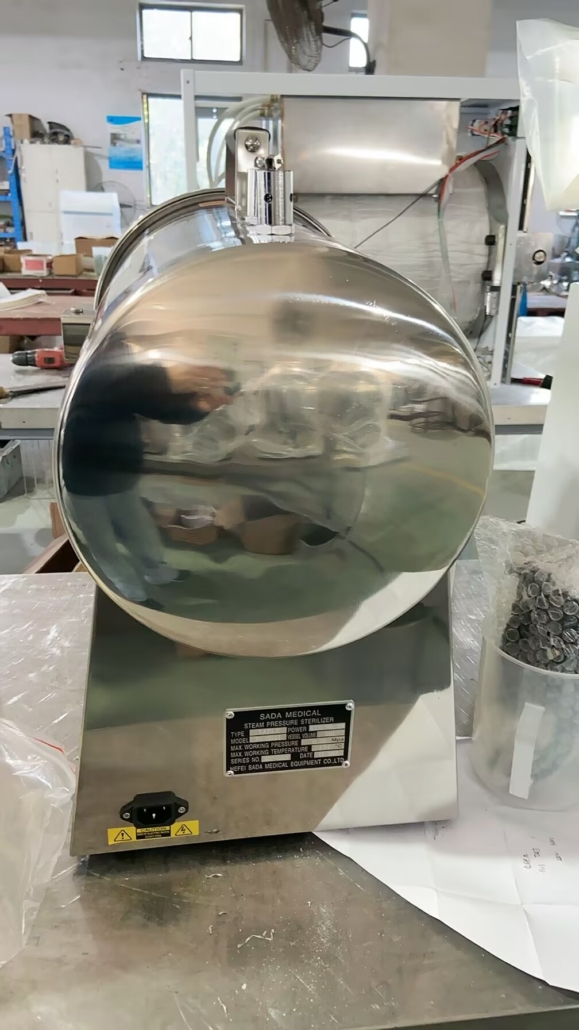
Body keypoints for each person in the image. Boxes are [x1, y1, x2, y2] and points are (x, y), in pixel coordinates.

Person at [61, 335, 233, 604]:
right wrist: (164, 377)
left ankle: (158, 572)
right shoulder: (91, 375)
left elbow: (154, 406)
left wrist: (195, 407)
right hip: (85, 478)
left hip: (121, 472)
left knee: (140, 529)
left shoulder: (123, 374)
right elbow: (107, 384)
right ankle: (130, 592)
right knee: (102, 542)